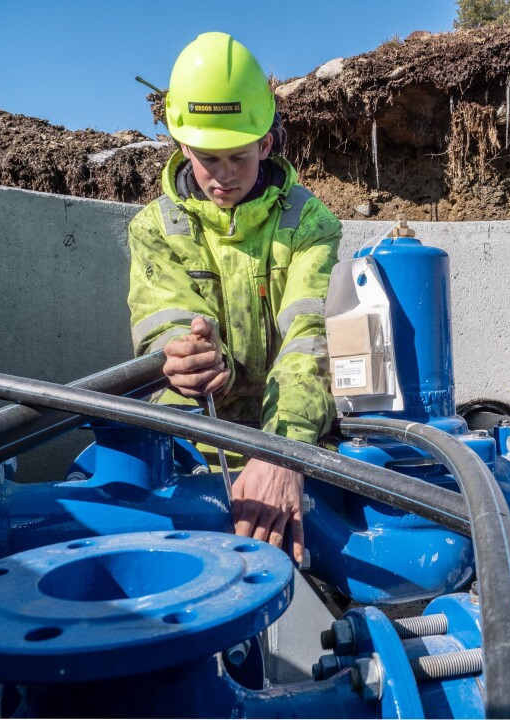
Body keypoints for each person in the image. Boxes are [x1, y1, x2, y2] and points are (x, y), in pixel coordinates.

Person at [126, 32, 341, 564]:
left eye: (237, 158)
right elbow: (164, 327)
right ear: (181, 146)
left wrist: (283, 452)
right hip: (189, 453)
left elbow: (310, 340)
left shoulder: (310, 225)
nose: (222, 176)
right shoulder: (155, 228)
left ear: (267, 144)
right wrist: (182, 356)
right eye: (206, 158)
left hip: (295, 438)